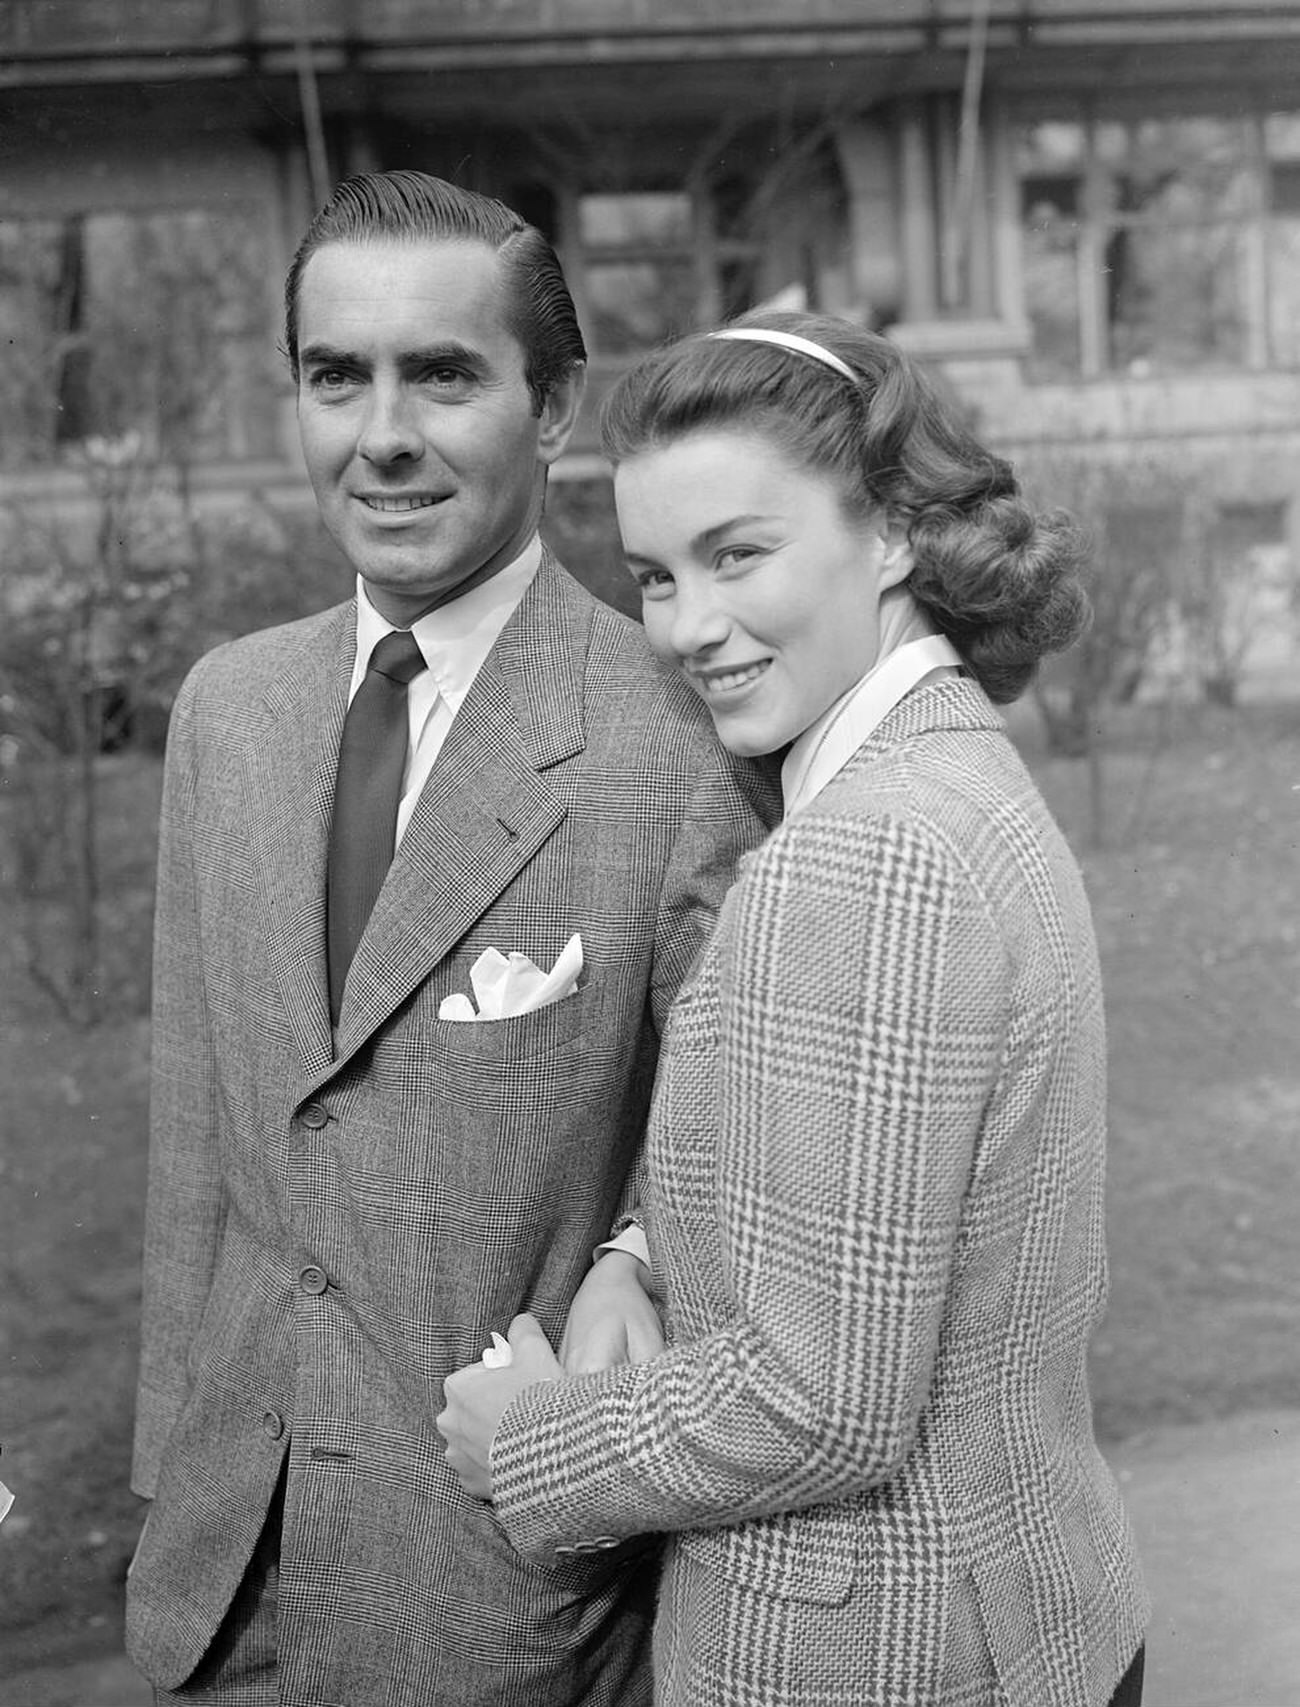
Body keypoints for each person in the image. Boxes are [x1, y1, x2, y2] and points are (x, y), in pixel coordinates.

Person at [125, 171, 776, 1707]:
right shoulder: (231, 710)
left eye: (445, 373)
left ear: (554, 408)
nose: (384, 433)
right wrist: (169, 1481)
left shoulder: (680, 739)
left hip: (501, 1603)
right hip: (220, 1589)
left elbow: (741, 1184)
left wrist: (627, 1267)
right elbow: (196, 1147)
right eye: (336, 375)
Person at [438, 311, 1151, 1706]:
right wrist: (636, 1256)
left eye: (736, 555)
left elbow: (822, 1405)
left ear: (890, 532)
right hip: (1022, 1623)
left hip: (879, 1663)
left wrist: (531, 1441)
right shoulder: (949, 778)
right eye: (654, 575)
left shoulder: (864, 854)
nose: (689, 628)